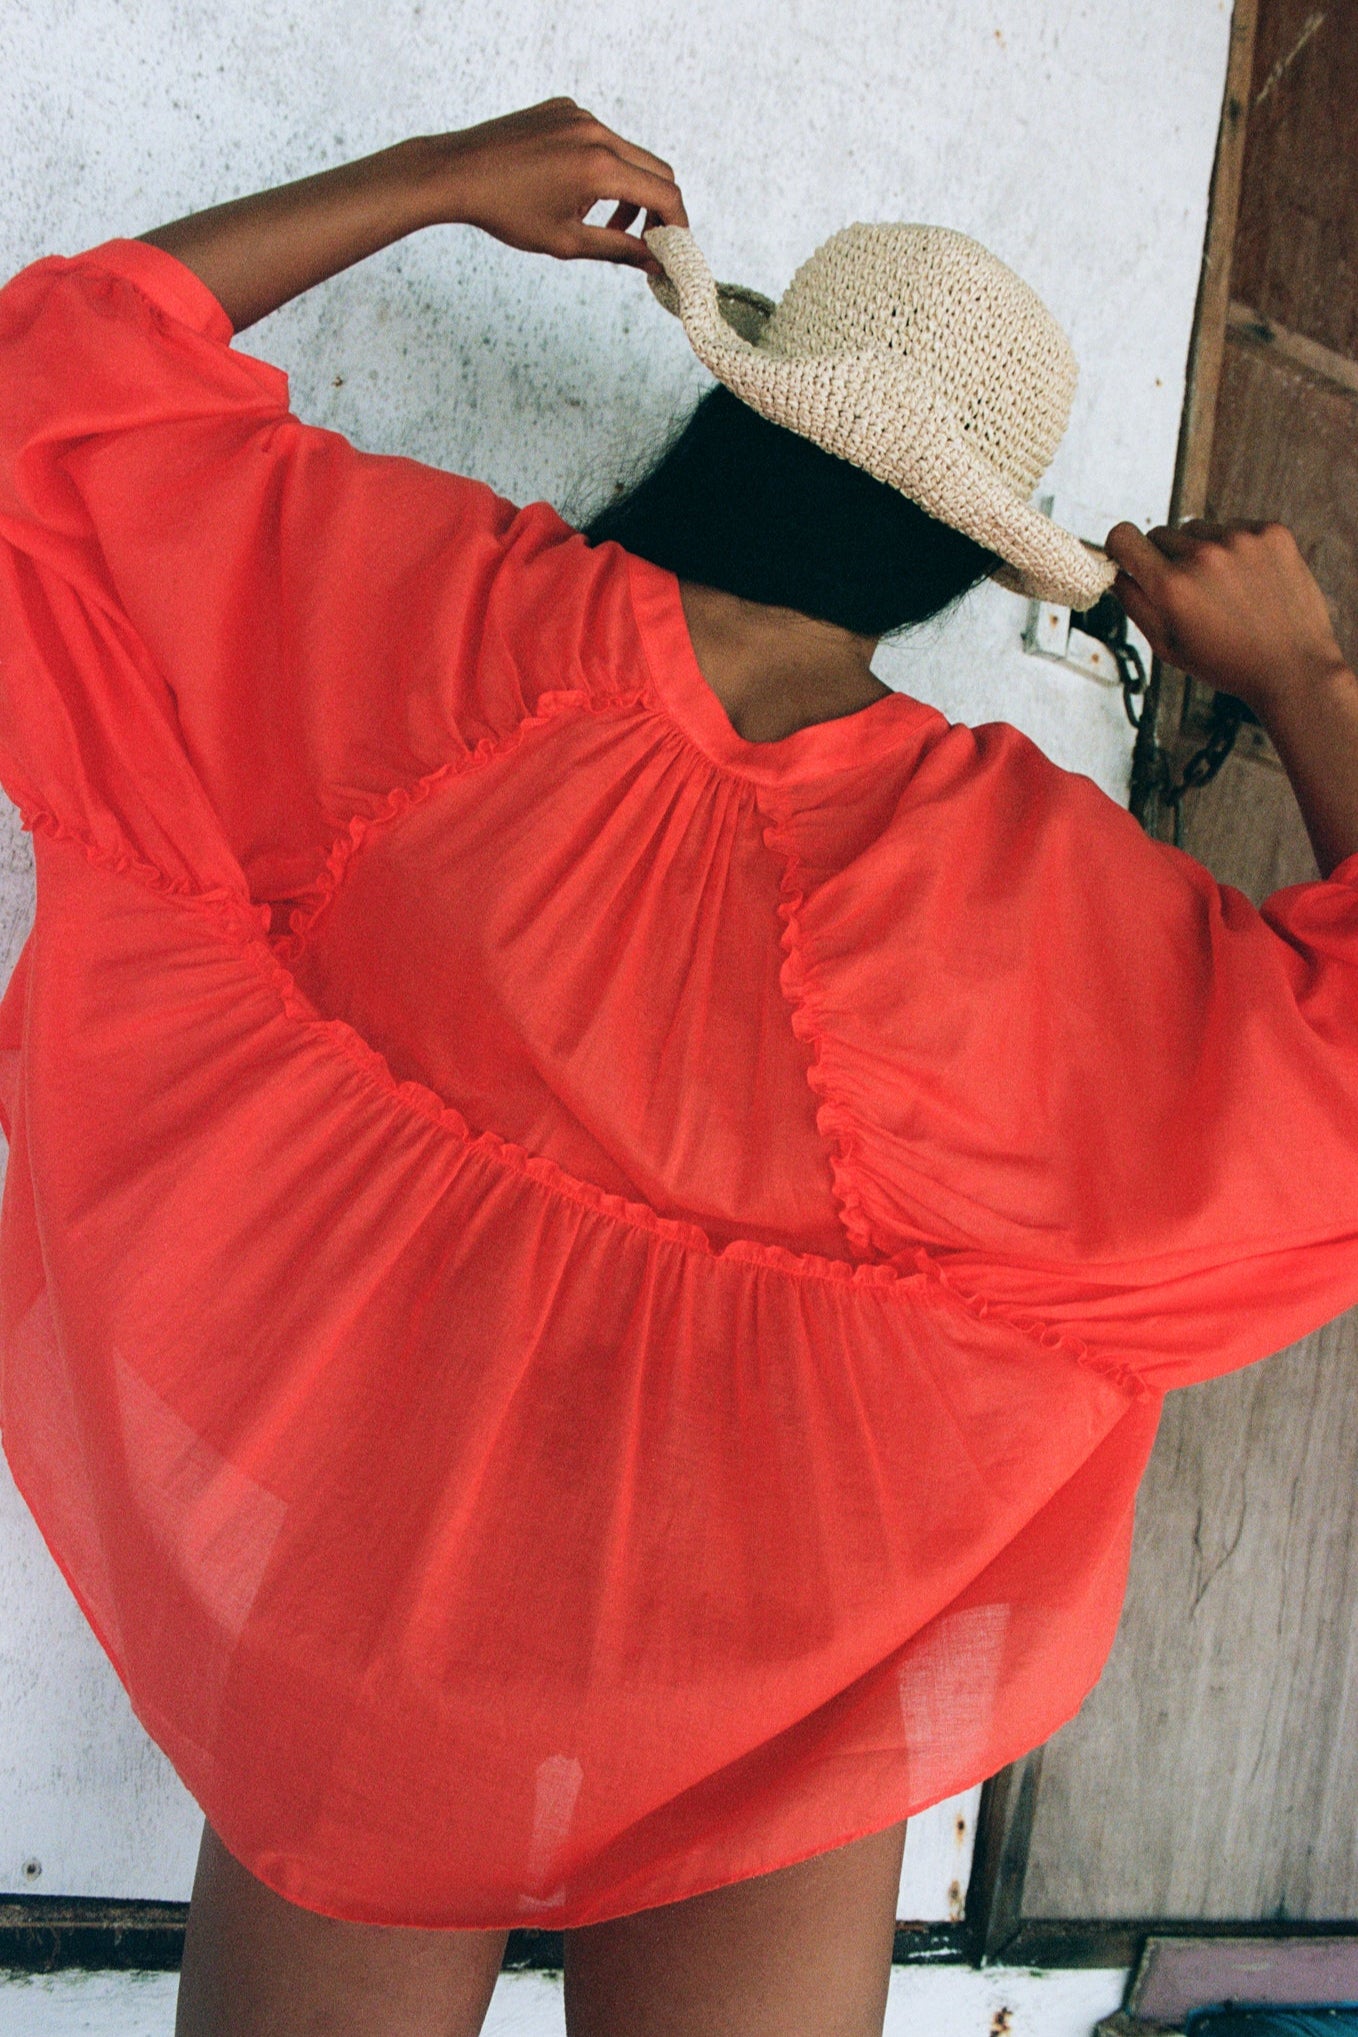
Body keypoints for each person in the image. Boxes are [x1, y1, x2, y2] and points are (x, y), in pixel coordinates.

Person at [0, 96, 1355, 2037]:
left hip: (387, 1604)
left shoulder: (440, 629)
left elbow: (45, 390)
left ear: (740, 416)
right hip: (774, 1645)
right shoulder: (1026, 892)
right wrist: (1302, 673)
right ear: (963, 559)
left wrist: (437, 183)